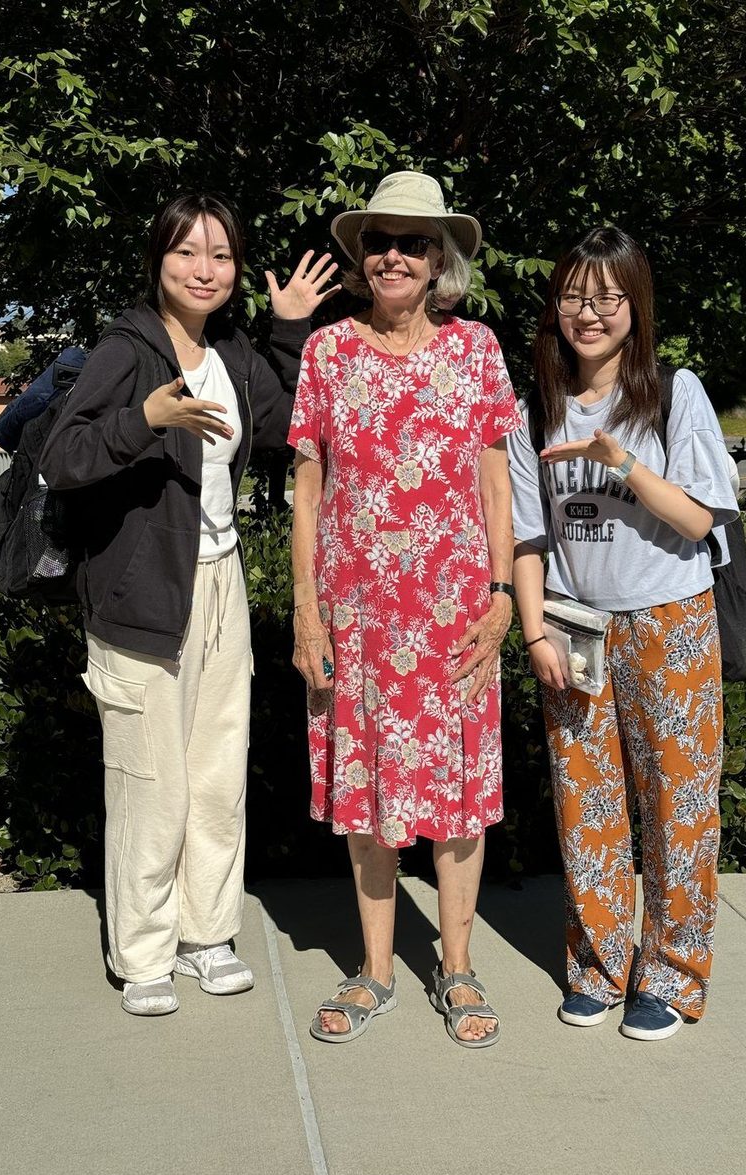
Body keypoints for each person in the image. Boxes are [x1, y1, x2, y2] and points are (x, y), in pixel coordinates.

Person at [39, 192, 338, 1016]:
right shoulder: (127, 349)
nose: (204, 270)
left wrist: (287, 332)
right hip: (140, 593)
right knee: (149, 779)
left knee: (213, 774)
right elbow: (64, 457)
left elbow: (282, 429)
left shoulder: (234, 350)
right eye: (187, 253)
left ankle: (207, 934)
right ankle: (143, 953)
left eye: (220, 256)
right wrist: (145, 417)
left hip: (219, 581)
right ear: (157, 260)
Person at [289, 171, 520, 1047]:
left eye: (413, 242)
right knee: (369, 789)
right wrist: (306, 613)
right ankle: (377, 970)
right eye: (380, 239)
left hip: (456, 614)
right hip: (359, 620)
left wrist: (501, 596)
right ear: (362, 255)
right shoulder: (326, 353)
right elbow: (308, 489)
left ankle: (456, 967)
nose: (394, 254)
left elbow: (497, 481)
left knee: (458, 797)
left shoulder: (476, 351)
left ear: (439, 261)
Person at [508, 226, 739, 1040]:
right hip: (574, 623)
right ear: (557, 305)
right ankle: (600, 968)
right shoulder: (532, 400)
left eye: (608, 296)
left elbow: (701, 517)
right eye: (575, 294)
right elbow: (528, 535)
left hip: (670, 620)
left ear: (635, 307)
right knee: (587, 802)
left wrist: (622, 464)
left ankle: (673, 975)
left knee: (678, 804)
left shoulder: (674, 392)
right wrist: (532, 630)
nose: (590, 312)